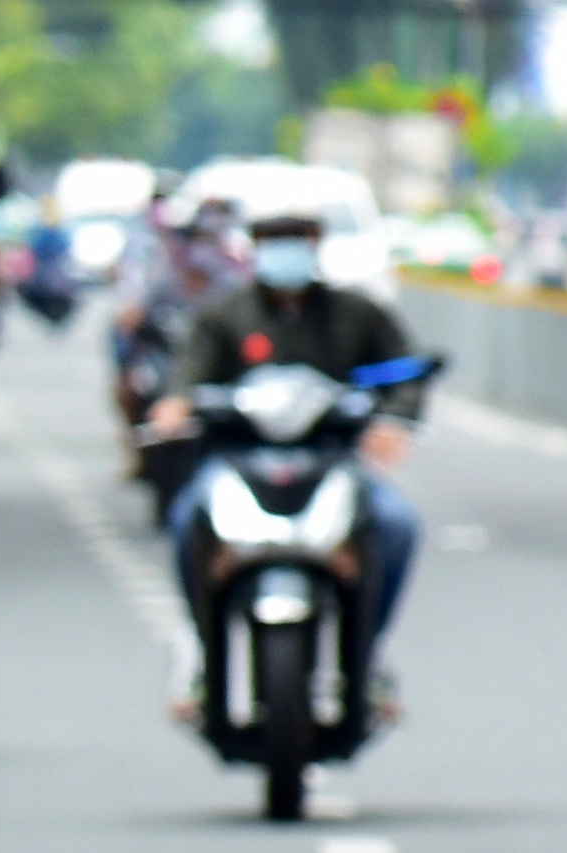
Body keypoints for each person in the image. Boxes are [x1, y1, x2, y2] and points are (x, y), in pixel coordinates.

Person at [145, 207, 426, 712]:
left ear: (316, 245)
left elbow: (402, 372)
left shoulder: (356, 314)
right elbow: (187, 372)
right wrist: (176, 404)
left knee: (395, 524)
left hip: (332, 459)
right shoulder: (224, 314)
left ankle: (370, 652)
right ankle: (201, 657)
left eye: (297, 240)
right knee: (189, 522)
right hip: (240, 458)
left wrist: (393, 420)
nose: (286, 252)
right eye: (274, 241)